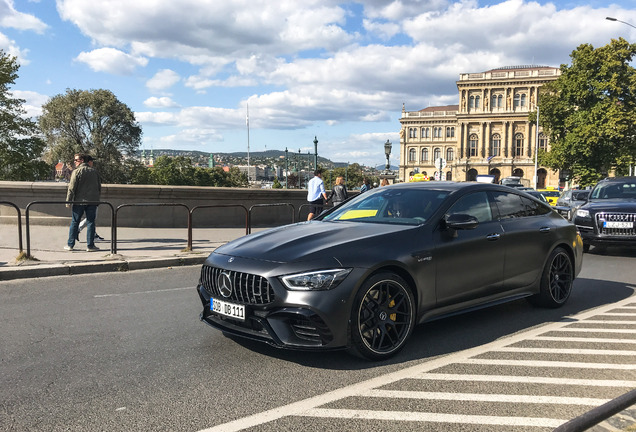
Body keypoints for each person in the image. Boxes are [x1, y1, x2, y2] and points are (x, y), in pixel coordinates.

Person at [65, 153, 101, 252]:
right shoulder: (94, 172)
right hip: (92, 201)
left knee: (75, 222)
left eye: (76, 160)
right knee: (91, 223)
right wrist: (97, 200)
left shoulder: (76, 172)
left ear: (81, 161)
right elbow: (98, 187)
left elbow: (71, 188)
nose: (74, 162)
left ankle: (70, 244)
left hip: (79, 201)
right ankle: (90, 246)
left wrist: (68, 201)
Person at [77, 155, 104, 241]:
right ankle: (79, 229)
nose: (93, 163)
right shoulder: (92, 172)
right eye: (92, 161)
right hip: (91, 199)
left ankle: (93, 234)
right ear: (88, 162)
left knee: (91, 218)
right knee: (92, 217)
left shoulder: (80, 171)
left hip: (83, 199)